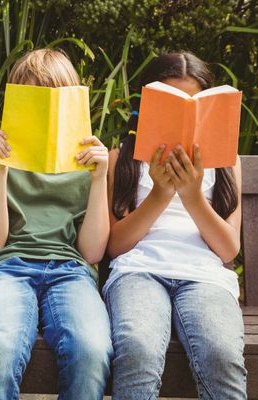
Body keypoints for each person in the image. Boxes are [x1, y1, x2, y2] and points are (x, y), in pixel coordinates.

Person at [0, 48, 113, 399]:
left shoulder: (86, 163)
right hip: (7, 267)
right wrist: (0, 170)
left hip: (71, 270)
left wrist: (99, 180)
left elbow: (93, 250)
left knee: (91, 350)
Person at [104, 51, 246, 399]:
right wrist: (161, 194)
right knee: (137, 348)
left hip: (205, 276)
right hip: (139, 271)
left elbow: (228, 249)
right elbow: (115, 246)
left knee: (222, 354)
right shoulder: (120, 159)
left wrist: (193, 195)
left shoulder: (227, 164)